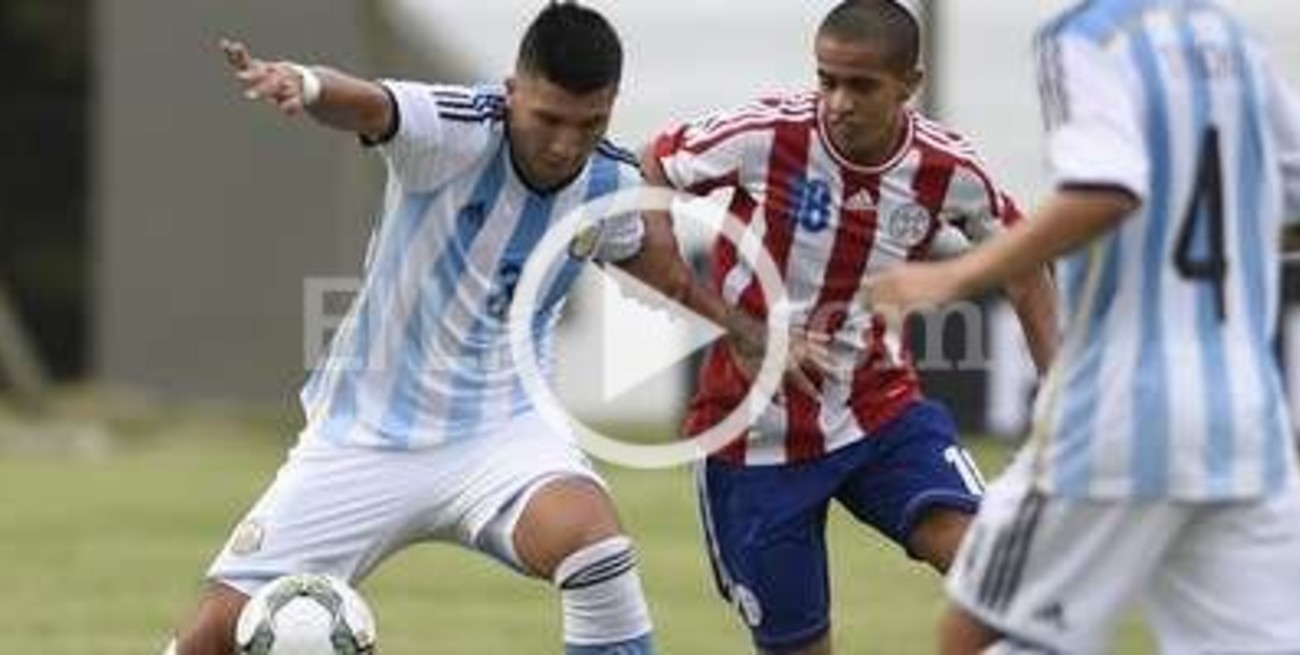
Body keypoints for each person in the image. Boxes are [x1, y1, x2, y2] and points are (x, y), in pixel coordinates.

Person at [160, 4, 732, 653]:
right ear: (512, 91)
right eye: (548, 119)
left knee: (594, 544)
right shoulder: (458, 129)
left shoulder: (611, 182)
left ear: (610, 108)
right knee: (215, 632)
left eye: (588, 124)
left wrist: (750, 331)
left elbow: (658, 265)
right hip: (364, 437)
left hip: (505, 433)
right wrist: (308, 84)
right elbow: (373, 105)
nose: (565, 145)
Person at [864, 1, 1300, 653]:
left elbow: (1104, 189)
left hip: (1121, 410)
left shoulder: (1085, 39)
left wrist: (953, 275)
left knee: (973, 631)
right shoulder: (1234, 43)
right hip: (1246, 418)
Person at [642, 1, 1058, 653]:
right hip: (753, 437)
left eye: (861, 85)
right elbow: (653, 165)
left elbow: (1026, 266)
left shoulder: (948, 169)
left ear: (909, 85)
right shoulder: (766, 133)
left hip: (880, 411)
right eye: (827, 80)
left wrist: (1062, 397)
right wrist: (728, 319)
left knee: (999, 576)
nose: (838, 102)